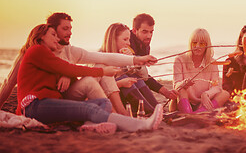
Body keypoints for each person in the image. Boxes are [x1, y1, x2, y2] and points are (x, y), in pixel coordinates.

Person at [16, 24, 163, 133]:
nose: (57, 39)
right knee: (89, 107)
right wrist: (102, 71)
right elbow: (69, 68)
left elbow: (67, 68)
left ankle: (90, 126)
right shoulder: (37, 50)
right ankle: (140, 125)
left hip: (49, 103)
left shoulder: (49, 54)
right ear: (41, 36)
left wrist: (137, 60)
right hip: (34, 105)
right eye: (53, 35)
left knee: (102, 102)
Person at [46, 13, 156, 115]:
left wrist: (136, 59)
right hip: (61, 99)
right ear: (52, 31)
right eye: (65, 29)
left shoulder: (70, 50)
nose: (70, 33)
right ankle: (120, 115)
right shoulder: (43, 51)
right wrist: (67, 74)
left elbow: (105, 58)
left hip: (75, 92)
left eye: (70, 29)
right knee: (102, 71)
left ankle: (136, 112)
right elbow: (65, 68)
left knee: (107, 68)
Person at [96, 23, 159, 115]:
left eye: (129, 39)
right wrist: (121, 83)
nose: (128, 43)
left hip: (122, 97)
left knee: (135, 78)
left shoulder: (122, 55)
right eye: (125, 39)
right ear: (113, 40)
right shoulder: (100, 57)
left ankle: (155, 108)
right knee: (123, 78)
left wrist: (132, 59)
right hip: (107, 99)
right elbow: (97, 89)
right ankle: (150, 112)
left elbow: (144, 76)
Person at [173, 28, 230, 113]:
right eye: (194, 43)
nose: (197, 46)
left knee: (225, 94)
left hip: (203, 103)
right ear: (190, 43)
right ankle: (189, 114)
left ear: (207, 45)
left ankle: (199, 113)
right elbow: (176, 85)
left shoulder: (212, 63)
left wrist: (206, 94)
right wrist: (183, 84)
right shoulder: (179, 60)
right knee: (181, 89)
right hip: (183, 101)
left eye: (202, 44)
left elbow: (216, 86)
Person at [130, 13, 178, 101]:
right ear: (134, 31)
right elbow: (139, 75)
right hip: (120, 81)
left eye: (151, 32)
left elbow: (143, 75)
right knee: (138, 80)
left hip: (135, 80)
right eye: (144, 31)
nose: (149, 36)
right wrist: (164, 91)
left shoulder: (145, 45)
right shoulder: (128, 42)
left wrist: (166, 92)